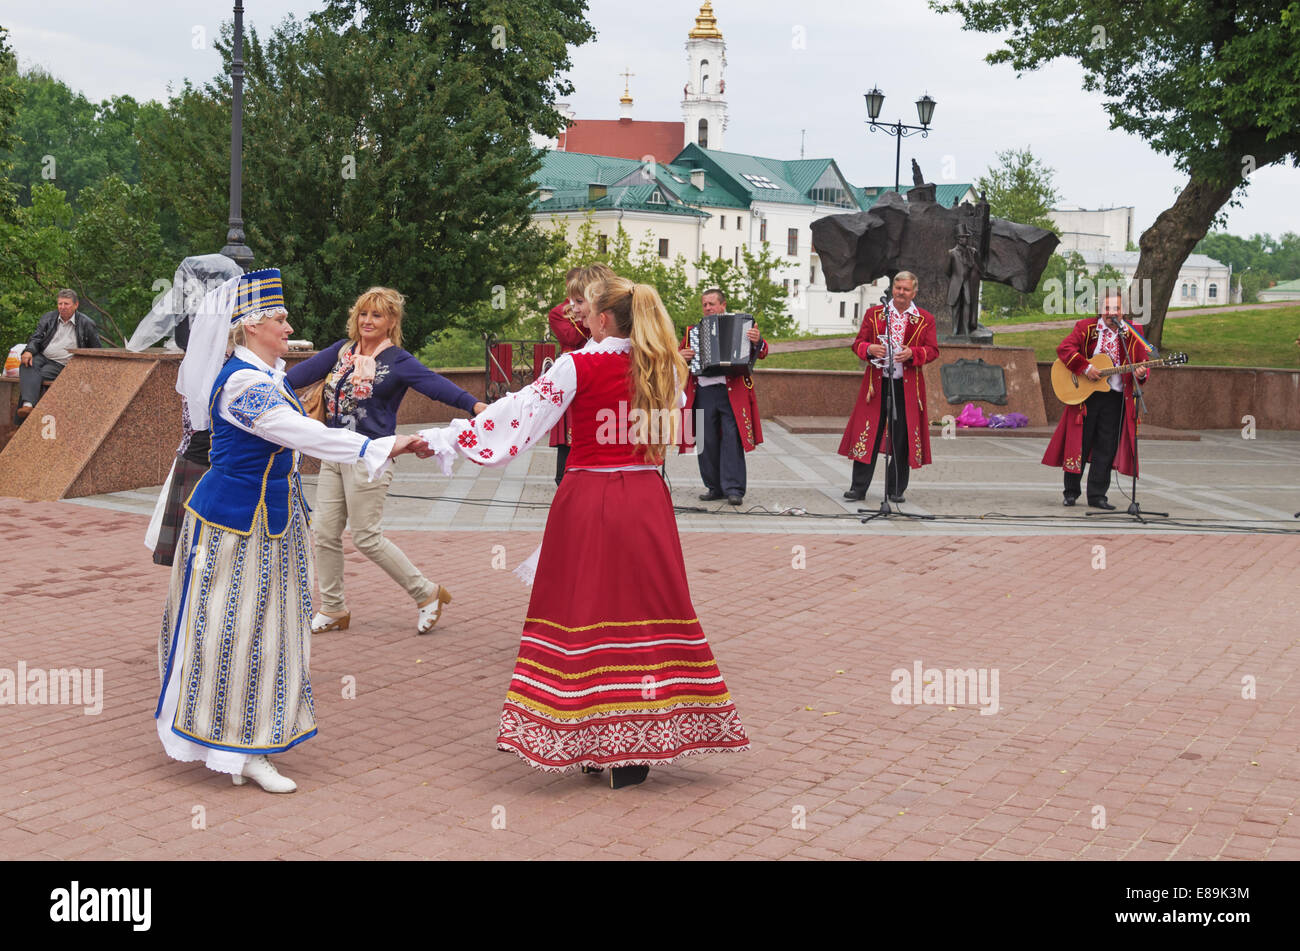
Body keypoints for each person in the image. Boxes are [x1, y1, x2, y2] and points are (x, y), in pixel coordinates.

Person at [416, 276, 750, 788]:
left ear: (601, 319)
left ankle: (591, 736)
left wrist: (443, 440)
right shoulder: (666, 365)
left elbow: (518, 417)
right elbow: (673, 428)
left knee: (584, 611)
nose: (580, 317)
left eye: (587, 311)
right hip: (645, 500)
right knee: (646, 614)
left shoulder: (579, 364)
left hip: (590, 497)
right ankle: (635, 744)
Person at [155, 269, 420, 793]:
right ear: (251, 326)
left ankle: (244, 740)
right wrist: (381, 446)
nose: (287, 325)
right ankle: (235, 748)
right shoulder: (243, 383)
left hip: (272, 525)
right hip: (235, 527)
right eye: (278, 318)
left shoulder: (269, 375)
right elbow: (299, 432)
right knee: (234, 632)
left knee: (269, 631)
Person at [285, 287, 486, 636]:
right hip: (335, 454)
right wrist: (258, 383)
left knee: (366, 537)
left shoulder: (397, 360)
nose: (367, 321)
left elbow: (435, 385)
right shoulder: (341, 352)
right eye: (363, 313)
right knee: (325, 533)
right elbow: (295, 378)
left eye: (377, 315)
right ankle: (333, 608)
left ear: (391, 321)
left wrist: (474, 405)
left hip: (372, 457)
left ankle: (427, 593)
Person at [1042, 291, 1151, 509]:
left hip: (1116, 397)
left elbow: (1141, 362)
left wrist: (1141, 373)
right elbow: (1064, 349)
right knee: (1079, 444)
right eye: (1109, 309)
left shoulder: (1133, 331)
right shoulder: (1086, 328)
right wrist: (1085, 367)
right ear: (1101, 309)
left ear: (1124, 311)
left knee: (1106, 446)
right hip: (1086, 396)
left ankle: (1097, 496)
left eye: (1117, 309)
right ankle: (1071, 492)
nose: (1113, 313)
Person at [839, 271, 939, 503]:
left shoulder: (924, 318)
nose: (901, 293)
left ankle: (896, 489)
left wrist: (912, 353)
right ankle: (858, 487)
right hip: (876, 384)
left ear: (914, 292)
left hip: (907, 387)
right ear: (892, 289)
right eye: (898, 288)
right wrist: (869, 349)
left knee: (902, 438)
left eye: (906, 289)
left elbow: (933, 350)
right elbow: (857, 344)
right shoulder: (875, 314)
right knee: (868, 433)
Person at [678, 287, 768, 505]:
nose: (707, 308)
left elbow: (763, 352)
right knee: (705, 440)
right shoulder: (693, 332)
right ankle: (714, 487)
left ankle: (734, 488)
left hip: (731, 393)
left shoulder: (743, 326)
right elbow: (678, 357)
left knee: (731, 439)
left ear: (722, 305)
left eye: (711, 304)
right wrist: (681, 356)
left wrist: (758, 340)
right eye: (705, 304)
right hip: (703, 392)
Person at [546, 263, 615, 484]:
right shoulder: (558, 314)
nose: (573, 308)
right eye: (572, 300)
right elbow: (570, 338)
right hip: (575, 376)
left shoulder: (622, 349)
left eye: (579, 301)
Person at [15, 289, 101, 421]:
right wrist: (29, 351)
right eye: (60, 304)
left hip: (62, 363)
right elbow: (36, 338)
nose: (62, 307)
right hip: (43, 356)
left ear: (76, 305)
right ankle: (27, 406)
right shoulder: (48, 317)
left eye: (66, 304)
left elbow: (96, 350)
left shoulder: (86, 323)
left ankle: (22, 421)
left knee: (34, 378)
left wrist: (87, 373)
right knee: (26, 364)